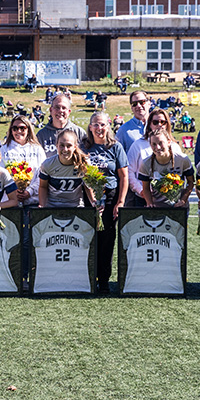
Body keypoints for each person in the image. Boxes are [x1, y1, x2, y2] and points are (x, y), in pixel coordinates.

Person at [83, 112, 128, 292]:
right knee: (90, 237)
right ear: (90, 127)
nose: (99, 128)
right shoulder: (84, 147)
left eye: (102, 125)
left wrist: (120, 201)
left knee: (107, 238)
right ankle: (88, 277)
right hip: (89, 195)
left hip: (110, 196)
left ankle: (103, 279)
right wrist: (93, 199)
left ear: (108, 126)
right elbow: (83, 175)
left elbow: (123, 176)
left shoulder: (115, 147)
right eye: (95, 124)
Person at [126, 108, 183, 207]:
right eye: (155, 122)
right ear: (149, 124)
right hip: (142, 198)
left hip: (168, 199)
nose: (159, 125)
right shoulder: (138, 144)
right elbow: (129, 171)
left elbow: (182, 173)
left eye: (163, 122)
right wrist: (141, 190)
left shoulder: (175, 146)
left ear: (167, 124)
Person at [137, 129, 194, 208]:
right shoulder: (146, 163)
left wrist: (183, 200)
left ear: (168, 142)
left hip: (179, 208)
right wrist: (150, 203)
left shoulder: (182, 159)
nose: (157, 147)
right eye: (154, 144)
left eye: (161, 143)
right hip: (157, 208)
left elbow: (191, 182)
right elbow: (145, 188)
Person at [38, 130, 94, 208]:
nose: (65, 149)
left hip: (76, 207)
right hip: (53, 206)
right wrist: (42, 206)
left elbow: (87, 186)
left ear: (75, 146)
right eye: (62, 145)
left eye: (69, 146)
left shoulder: (83, 163)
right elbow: (43, 186)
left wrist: (94, 202)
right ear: (56, 145)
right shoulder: (48, 164)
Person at [1, 115, 46, 207]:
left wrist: (29, 191)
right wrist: (13, 192)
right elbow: (0, 175)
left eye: (22, 128)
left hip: (33, 200)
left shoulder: (37, 149)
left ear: (28, 129)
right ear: (11, 130)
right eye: (15, 128)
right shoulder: (3, 149)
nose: (19, 131)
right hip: (10, 201)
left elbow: (43, 174)